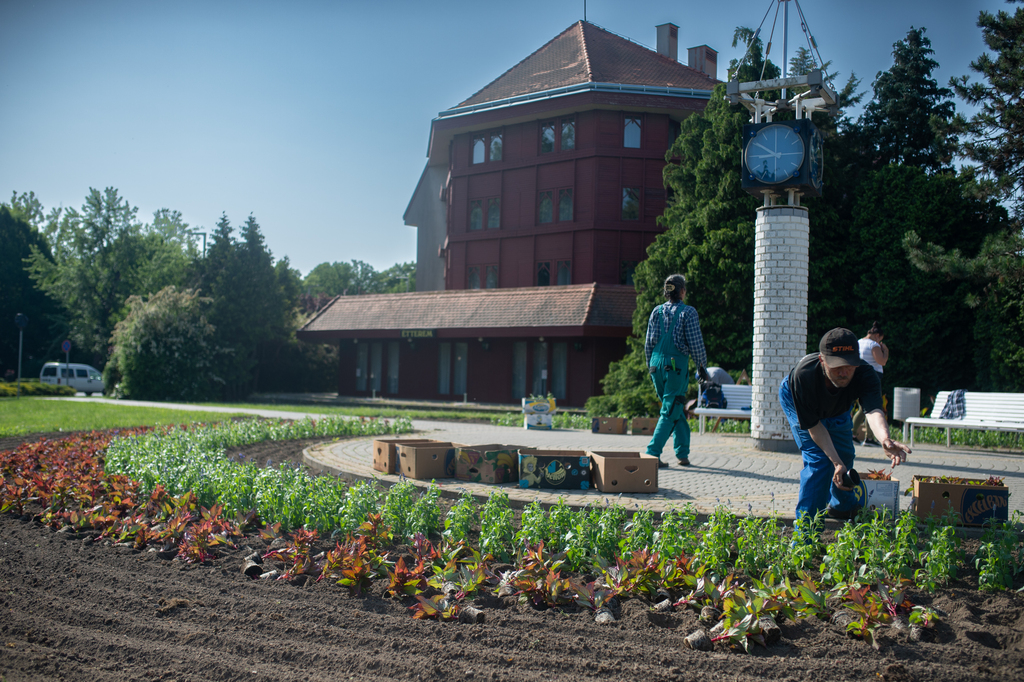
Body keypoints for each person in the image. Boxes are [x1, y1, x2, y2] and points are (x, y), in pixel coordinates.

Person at [779, 327, 911, 520]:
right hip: (797, 400)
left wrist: (885, 439)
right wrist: (835, 462)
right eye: (836, 366)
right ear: (822, 360)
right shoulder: (804, 376)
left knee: (845, 455)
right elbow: (815, 427)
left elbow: (873, 411)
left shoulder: (866, 375)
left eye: (849, 365)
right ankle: (805, 538)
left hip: (837, 408)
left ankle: (842, 507)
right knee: (820, 463)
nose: (843, 372)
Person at [644, 274, 707, 468]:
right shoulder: (688, 312)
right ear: (682, 291)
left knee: (674, 409)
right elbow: (696, 344)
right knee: (669, 410)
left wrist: (650, 366)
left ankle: (682, 454)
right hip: (675, 367)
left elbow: (648, 342)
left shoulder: (657, 311)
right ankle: (652, 454)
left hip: (656, 364)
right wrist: (701, 367)